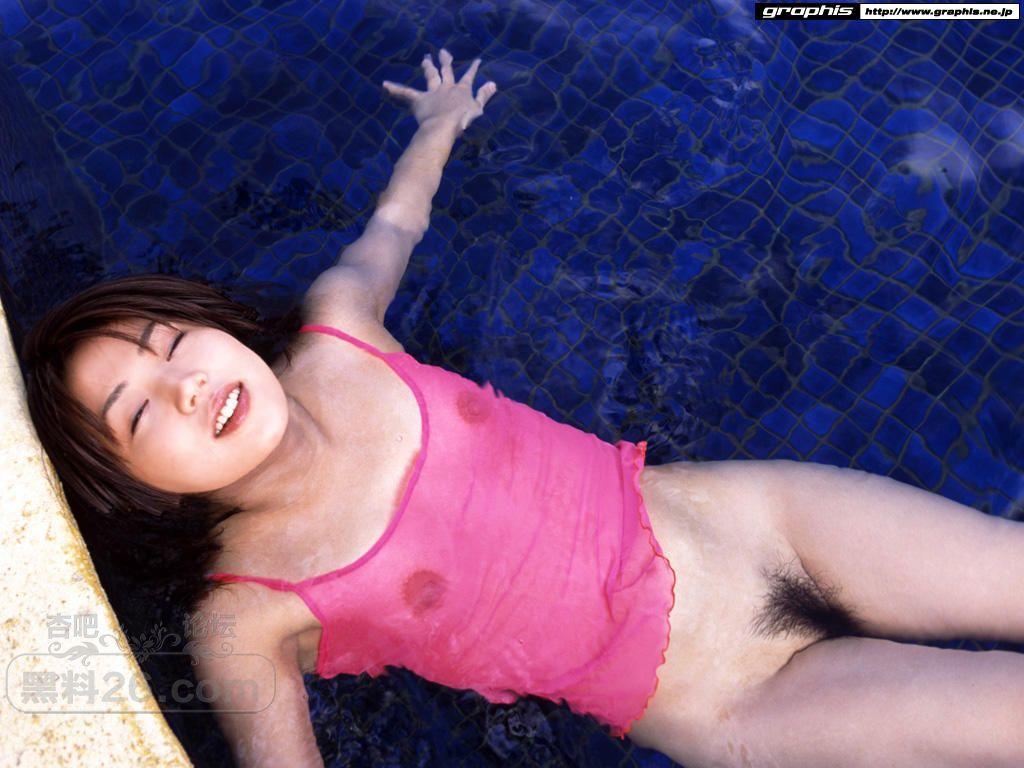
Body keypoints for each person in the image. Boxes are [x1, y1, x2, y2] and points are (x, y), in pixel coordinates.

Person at [20, 49, 1024, 768]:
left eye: (168, 343)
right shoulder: (245, 612)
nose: (186, 383)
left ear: (208, 322)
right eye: (138, 414)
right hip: (734, 697)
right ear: (133, 491)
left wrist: (439, 126)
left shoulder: (338, 335)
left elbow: (391, 228)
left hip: (762, 523)